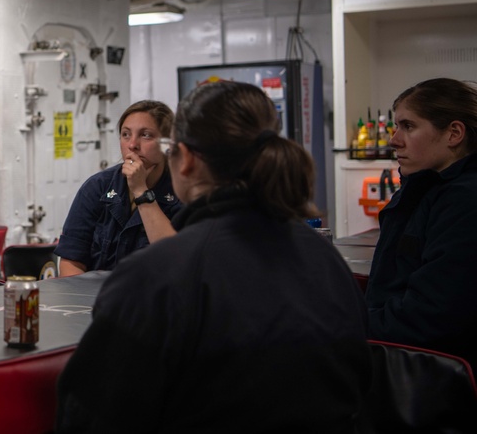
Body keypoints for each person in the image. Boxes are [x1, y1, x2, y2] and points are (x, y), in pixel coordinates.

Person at [56, 81, 370, 433]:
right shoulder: (325, 260)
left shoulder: (158, 276)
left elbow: (89, 417)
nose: (132, 143)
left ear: (185, 159)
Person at [365, 77, 477, 369]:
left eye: (408, 126)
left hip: (437, 377)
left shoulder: (464, 201)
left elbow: (432, 314)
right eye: (396, 125)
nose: (394, 139)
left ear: (454, 133)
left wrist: (350, 326)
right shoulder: (424, 189)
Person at [56, 100, 182, 276]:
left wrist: (141, 191)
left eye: (145, 135)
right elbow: (71, 261)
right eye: (125, 134)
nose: (132, 145)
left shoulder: (182, 191)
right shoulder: (98, 187)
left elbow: (175, 259)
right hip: (97, 298)